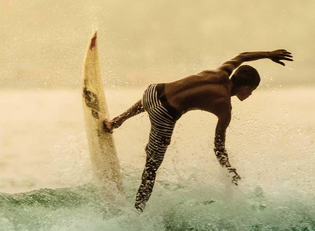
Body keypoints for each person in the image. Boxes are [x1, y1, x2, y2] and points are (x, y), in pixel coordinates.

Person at [104, 49, 293, 212]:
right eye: (251, 90)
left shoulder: (222, 71)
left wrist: (269, 54)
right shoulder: (224, 107)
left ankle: (116, 121)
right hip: (164, 114)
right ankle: (137, 211)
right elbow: (218, 147)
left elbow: (242, 56)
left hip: (152, 92)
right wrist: (229, 169)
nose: (250, 95)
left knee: (156, 99)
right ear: (245, 87)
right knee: (151, 168)